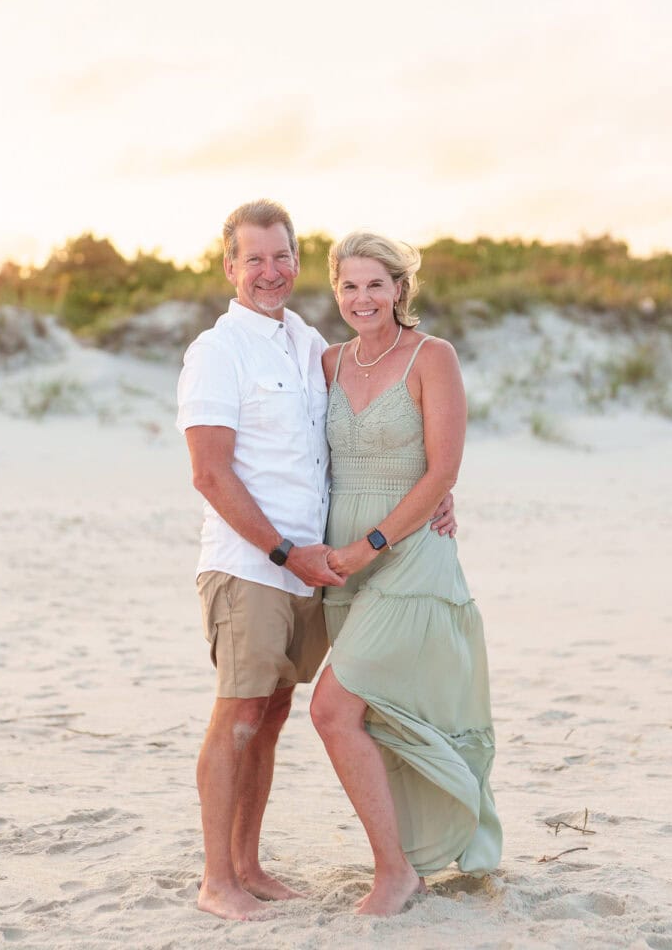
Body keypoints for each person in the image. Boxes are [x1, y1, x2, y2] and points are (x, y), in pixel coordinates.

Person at [176, 200, 455, 921]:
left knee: (269, 715)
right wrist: (279, 551)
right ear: (230, 267)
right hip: (250, 566)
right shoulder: (217, 350)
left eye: (281, 257)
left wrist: (438, 497)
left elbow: (373, 441)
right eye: (254, 259)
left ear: (298, 263)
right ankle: (217, 880)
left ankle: (247, 865)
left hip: (313, 566)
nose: (270, 272)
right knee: (237, 714)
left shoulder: (306, 344)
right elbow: (209, 473)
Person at [309, 230, 501, 915]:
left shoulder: (432, 356)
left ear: (400, 289)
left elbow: (443, 468)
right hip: (341, 561)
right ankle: (408, 856)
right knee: (372, 713)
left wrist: (373, 543)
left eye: (375, 284)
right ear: (337, 292)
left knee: (331, 708)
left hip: (407, 550)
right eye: (349, 286)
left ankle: (394, 873)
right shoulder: (326, 363)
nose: (362, 298)